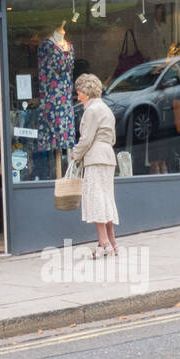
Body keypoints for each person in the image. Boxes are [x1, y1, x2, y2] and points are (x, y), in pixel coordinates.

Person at [71, 73, 120, 256]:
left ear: (86, 91)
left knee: (95, 199)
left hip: (95, 157)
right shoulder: (106, 109)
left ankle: (104, 242)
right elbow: (112, 137)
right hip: (108, 155)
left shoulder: (91, 110)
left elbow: (87, 138)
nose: (78, 96)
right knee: (106, 198)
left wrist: (76, 153)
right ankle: (111, 242)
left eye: (79, 92)